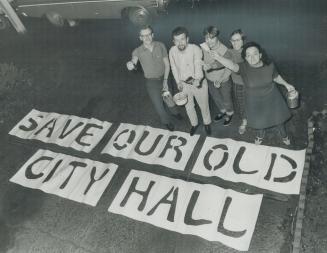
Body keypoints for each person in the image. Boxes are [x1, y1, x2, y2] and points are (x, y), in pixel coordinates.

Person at [210, 42, 296, 145]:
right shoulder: (243, 68)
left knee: (278, 120)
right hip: (254, 100)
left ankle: (284, 135)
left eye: (255, 54)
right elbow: (232, 65)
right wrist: (218, 57)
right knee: (259, 121)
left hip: (272, 97)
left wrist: (287, 85)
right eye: (248, 55)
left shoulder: (269, 65)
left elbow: (276, 77)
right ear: (245, 58)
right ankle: (260, 134)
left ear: (260, 55)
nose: (252, 57)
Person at [126, 25, 181, 131]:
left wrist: (165, 80)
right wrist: (131, 64)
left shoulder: (161, 45)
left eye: (148, 34)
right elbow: (134, 60)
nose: (146, 38)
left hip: (165, 78)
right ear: (140, 38)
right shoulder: (137, 51)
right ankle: (166, 121)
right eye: (143, 36)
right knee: (158, 104)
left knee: (169, 99)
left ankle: (175, 113)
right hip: (151, 83)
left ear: (152, 35)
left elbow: (167, 65)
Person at [169, 26, 211, 136]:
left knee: (204, 105)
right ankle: (194, 124)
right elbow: (173, 67)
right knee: (188, 106)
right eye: (176, 40)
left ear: (187, 39)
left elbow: (198, 64)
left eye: (182, 39)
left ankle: (207, 123)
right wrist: (178, 81)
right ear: (173, 41)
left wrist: (198, 79)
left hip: (198, 82)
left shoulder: (195, 49)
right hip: (184, 84)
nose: (180, 43)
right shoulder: (172, 51)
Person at [201, 26, 234, 126]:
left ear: (217, 37)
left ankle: (229, 113)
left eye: (212, 38)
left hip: (223, 79)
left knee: (226, 98)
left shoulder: (224, 50)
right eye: (206, 38)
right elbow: (201, 59)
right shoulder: (204, 47)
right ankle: (222, 111)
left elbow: (226, 66)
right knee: (216, 97)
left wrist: (221, 79)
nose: (209, 41)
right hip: (210, 79)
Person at [228, 29, 247, 134]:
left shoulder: (249, 51)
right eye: (233, 40)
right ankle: (244, 121)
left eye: (238, 40)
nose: (235, 43)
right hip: (238, 85)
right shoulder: (229, 52)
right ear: (230, 41)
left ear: (243, 40)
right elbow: (223, 64)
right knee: (241, 104)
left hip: (252, 84)